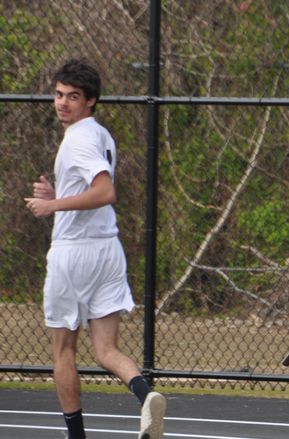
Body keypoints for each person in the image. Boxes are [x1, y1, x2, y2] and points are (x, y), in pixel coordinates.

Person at [24, 58, 166, 439]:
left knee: (63, 351)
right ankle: (146, 393)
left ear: (91, 101)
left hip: (74, 255)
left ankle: (76, 436)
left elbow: (105, 192)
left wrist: (52, 206)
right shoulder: (100, 135)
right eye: (58, 94)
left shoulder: (80, 138)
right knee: (105, 351)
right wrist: (60, 194)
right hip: (108, 251)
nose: (62, 103)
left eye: (73, 96)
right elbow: (91, 190)